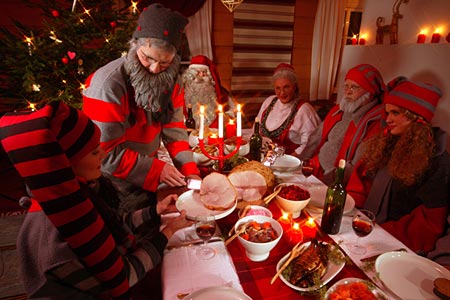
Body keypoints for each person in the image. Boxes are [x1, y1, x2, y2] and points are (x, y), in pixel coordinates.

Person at [0, 101, 193, 299]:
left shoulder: (73, 197)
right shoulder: (55, 242)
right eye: (94, 152)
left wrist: (156, 210)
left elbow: (114, 227)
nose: (103, 154)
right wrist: (168, 232)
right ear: (65, 164)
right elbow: (124, 275)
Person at [82, 4, 201, 213]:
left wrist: (190, 172)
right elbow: (105, 153)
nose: (155, 69)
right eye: (148, 58)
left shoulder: (172, 80)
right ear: (134, 46)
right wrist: (156, 170)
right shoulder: (107, 85)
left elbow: (175, 133)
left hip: (145, 176)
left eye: (164, 63)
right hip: (110, 183)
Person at [347, 77, 450, 254]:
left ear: (417, 117)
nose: (388, 119)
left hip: (395, 242)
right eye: (387, 113)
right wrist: (349, 210)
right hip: (364, 223)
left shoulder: (437, 162)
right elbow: (362, 182)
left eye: (395, 113)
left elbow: (429, 223)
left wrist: (378, 233)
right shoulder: (386, 142)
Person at [300, 64, 386, 185]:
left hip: (334, 180)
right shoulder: (337, 110)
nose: (348, 92)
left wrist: (326, 182)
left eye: (354, 87)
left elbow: (356, 167)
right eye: (346, 86)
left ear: (370, 91)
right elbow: (315, 139)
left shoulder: (374, 123)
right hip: (316, 167)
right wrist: (299, 164)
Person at [256, 63, 321, 156]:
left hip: (288, 164)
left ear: (294, 87)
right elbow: (257, 126)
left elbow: (310, 144)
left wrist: (288, 160)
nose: (282, 93)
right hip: (262, 158)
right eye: (278, 88)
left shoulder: (304, 110)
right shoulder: (269, 101)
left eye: (286, 87)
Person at [181, 55, 236, 129]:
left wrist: (225, 119)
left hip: (215, 134)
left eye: (204, 72)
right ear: (190, 75)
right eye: (197, 73)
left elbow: (233, 113)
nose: (200, 76)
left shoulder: (222, 94)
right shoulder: (182, 94)